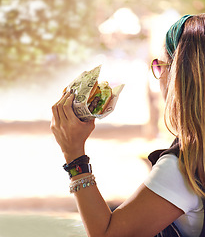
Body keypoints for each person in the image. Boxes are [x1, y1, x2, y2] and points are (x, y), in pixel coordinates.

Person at [51, 13, 205, 237]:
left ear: (181, 76)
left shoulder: (185, 168)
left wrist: (74, 154)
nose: (158, 76)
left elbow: (107, 234)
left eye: (160, 65)